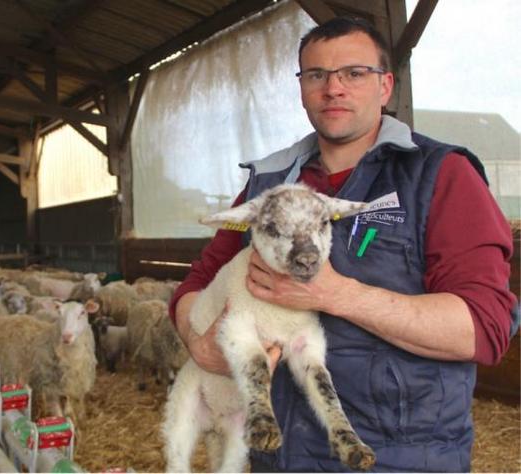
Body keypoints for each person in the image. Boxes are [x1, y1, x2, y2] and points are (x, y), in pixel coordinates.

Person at [169, 16, 518, 472]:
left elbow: (483, 326)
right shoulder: (270, 185)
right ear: (302, 88)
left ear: (385, 86)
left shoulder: (440, 176)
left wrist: (336, 294)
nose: (334, 88)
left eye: (354, 73)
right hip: (276, 456)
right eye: (317, 74)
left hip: (399, 458)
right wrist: (198, 340)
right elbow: (197, 281)